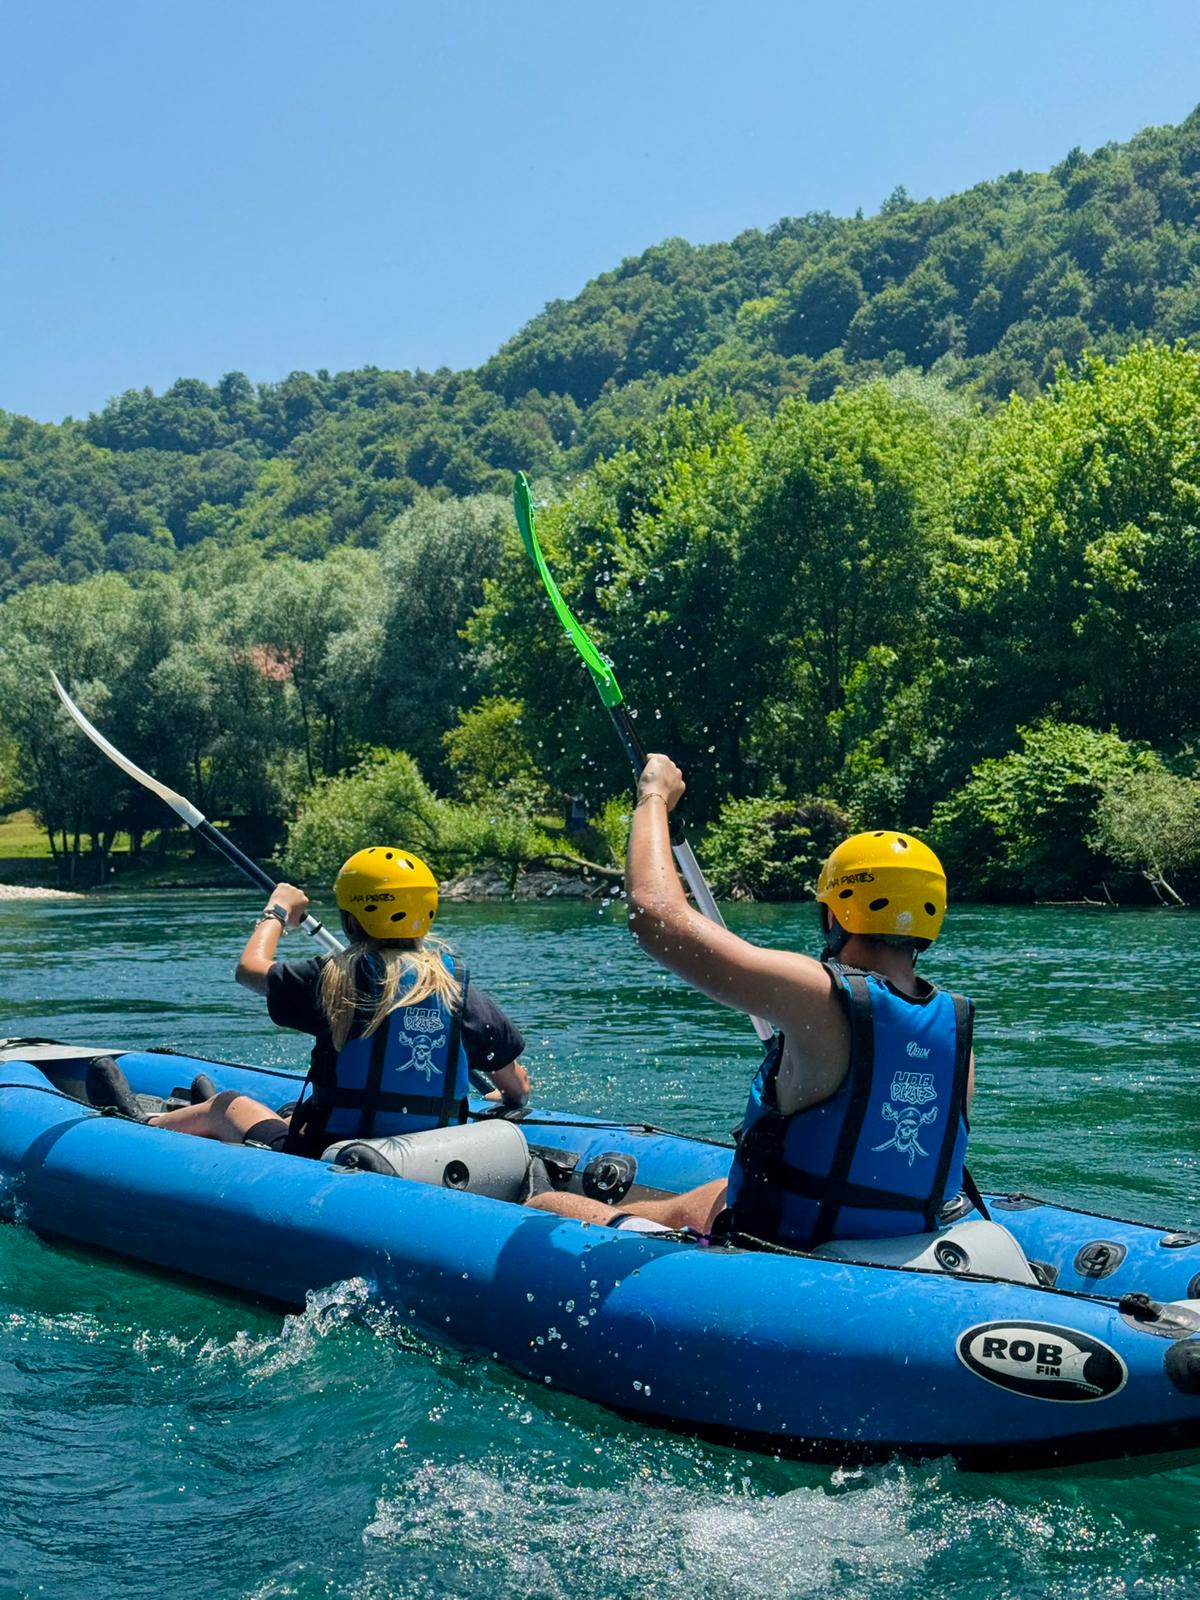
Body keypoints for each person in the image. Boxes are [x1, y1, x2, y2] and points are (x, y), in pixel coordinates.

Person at [526, 754, 974, 1247]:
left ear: (833, 913)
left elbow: (655, 918)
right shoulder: (956, 1031)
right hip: (902, 1243)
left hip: (787, 1252)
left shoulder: (818, 995)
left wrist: (652, 797)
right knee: (706, 1198)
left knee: (545, 1206)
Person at [87, 848, 531, 1155]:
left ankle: (143, 1127)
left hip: (335, 1156)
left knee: (231, 1106)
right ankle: (201, 1114)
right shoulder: (457, 987)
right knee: (290, 1110)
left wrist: (277, 910)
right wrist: (502, 1090)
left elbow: (249, 970)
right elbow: (516, 1088)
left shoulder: (336, 976)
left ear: (350, 917)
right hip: (432, 1157)